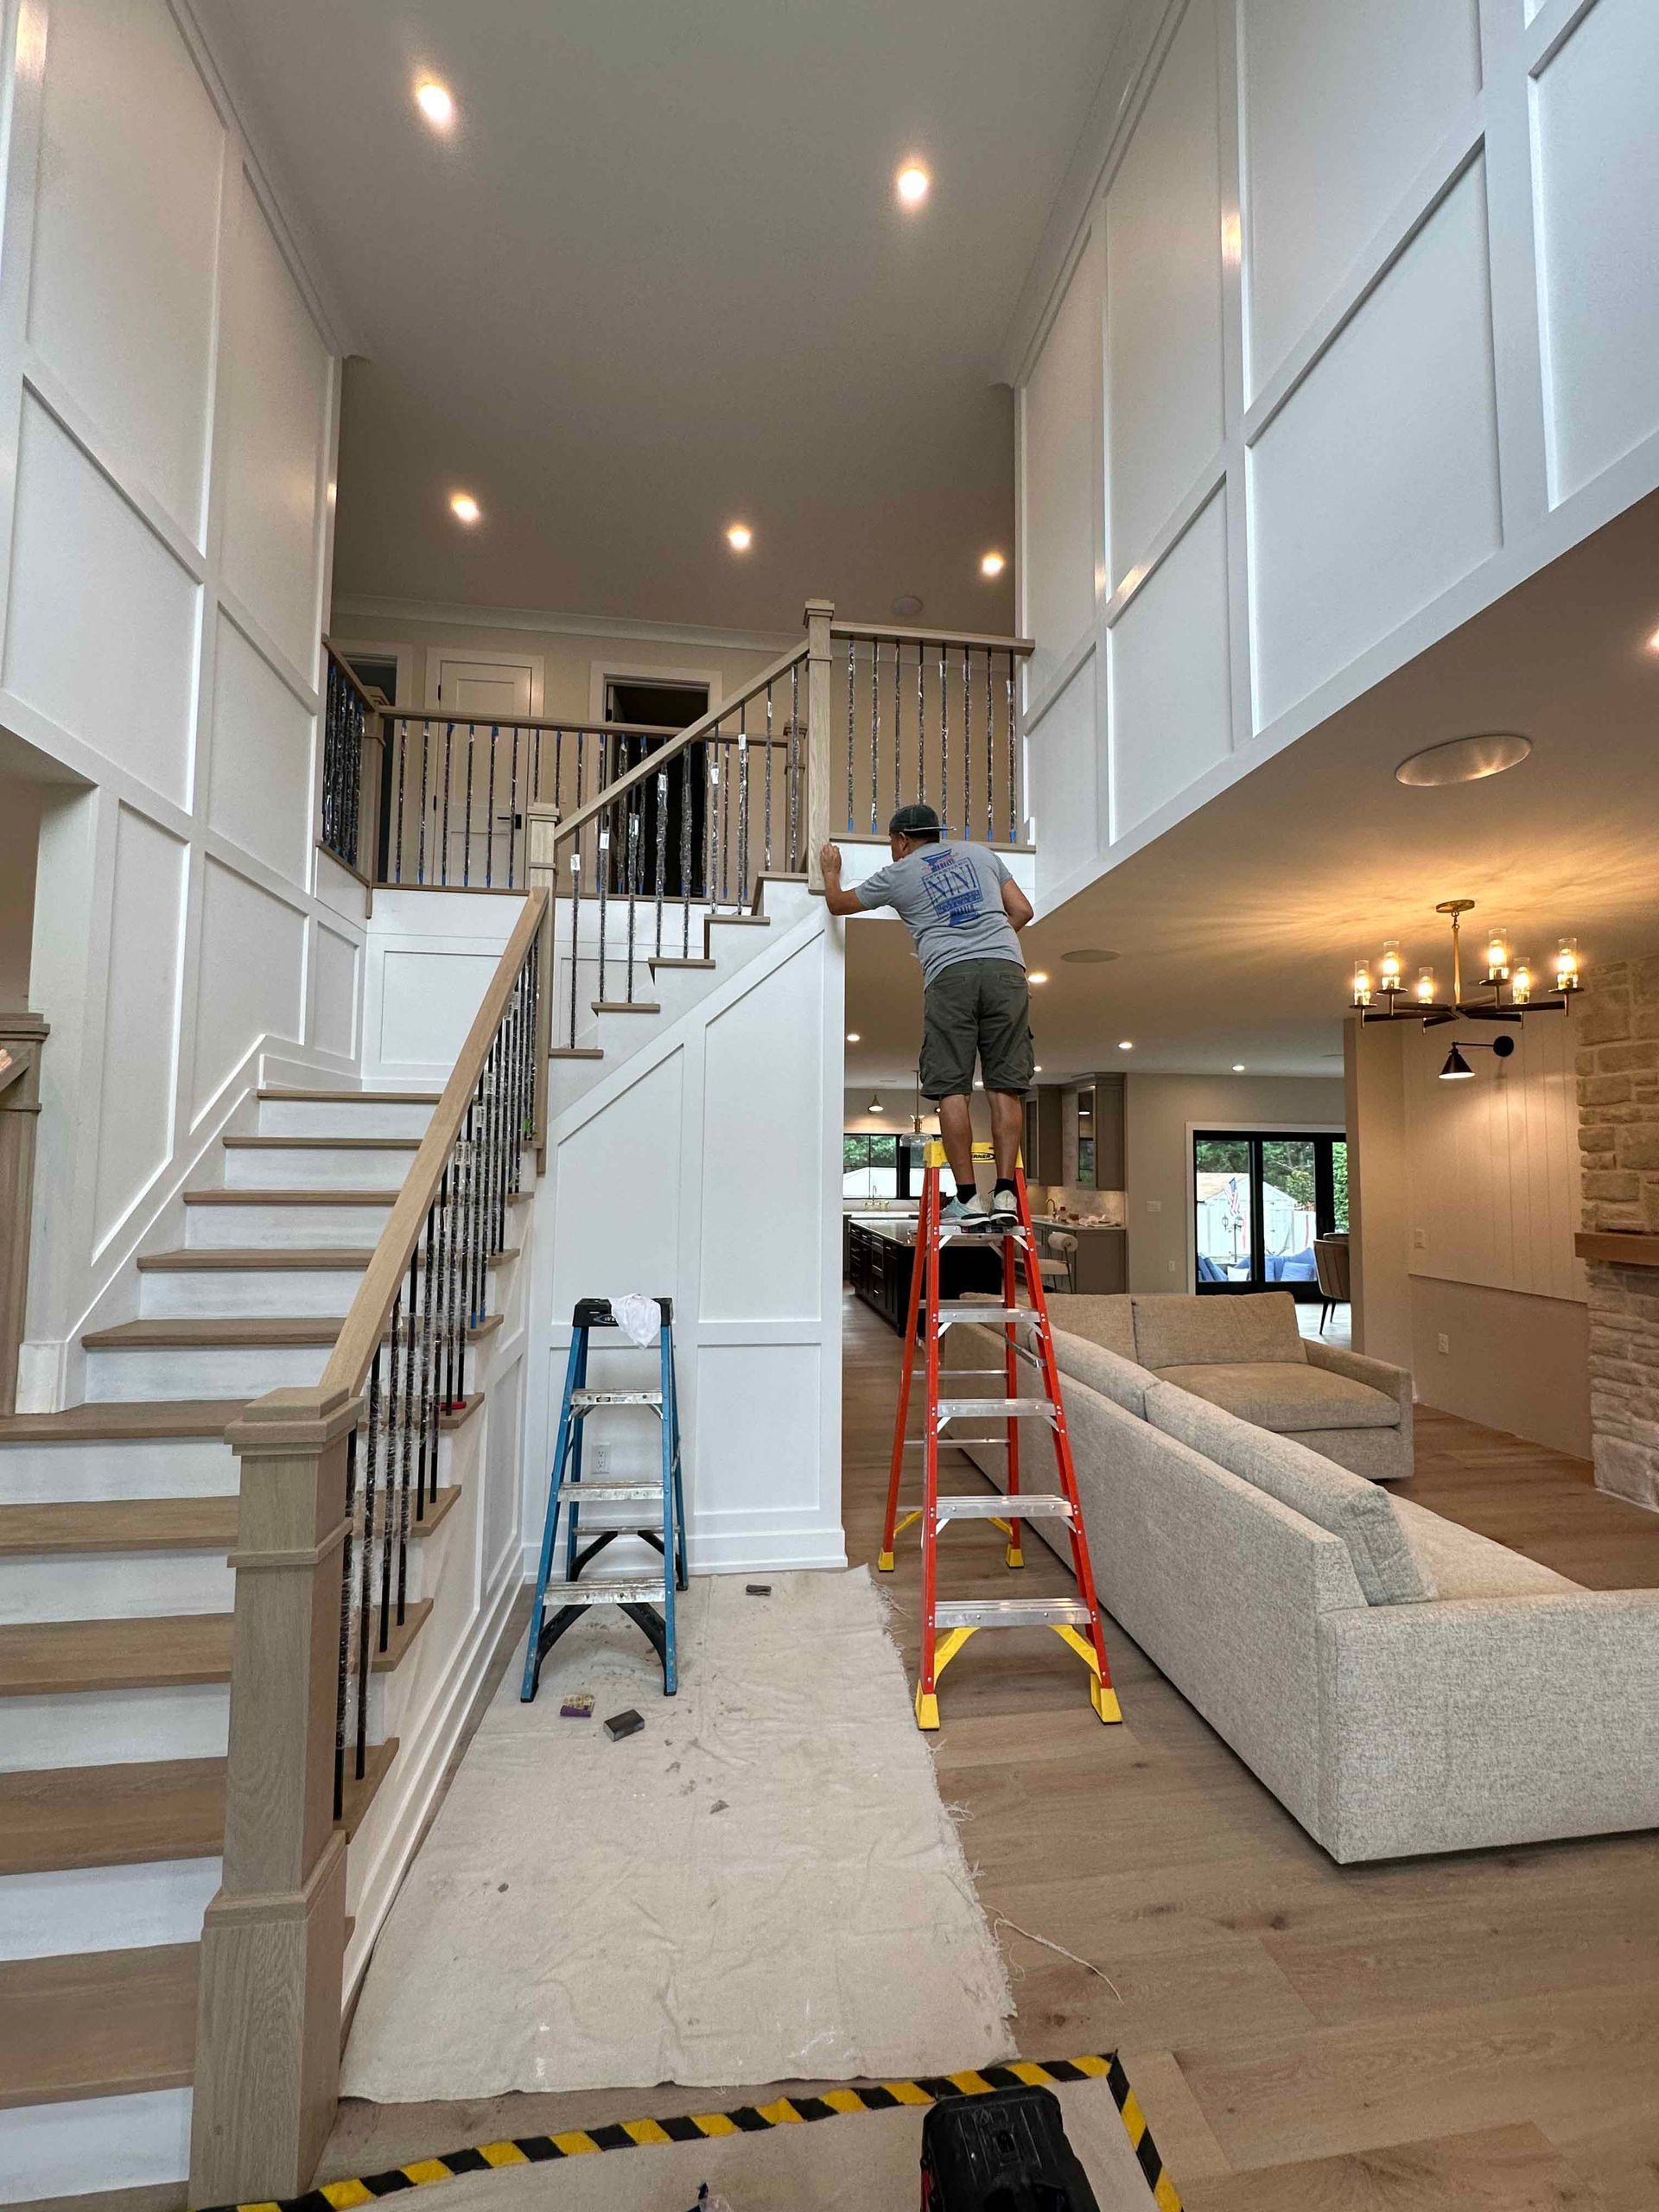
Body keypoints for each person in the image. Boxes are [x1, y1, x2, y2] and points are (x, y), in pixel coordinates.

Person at [820, 804, 1034, 1230]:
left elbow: (838, 904)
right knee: (1005, 1084)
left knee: (952, 1087)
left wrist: (831, 870)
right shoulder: (980, 854)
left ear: (901, 839)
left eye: (891, 845)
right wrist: (989, 943)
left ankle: (970, 1199)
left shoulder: (899, 873)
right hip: (1007, 970)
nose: (893, 852)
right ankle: (1006, 1192)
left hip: (950, 976)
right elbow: (1023, 912)